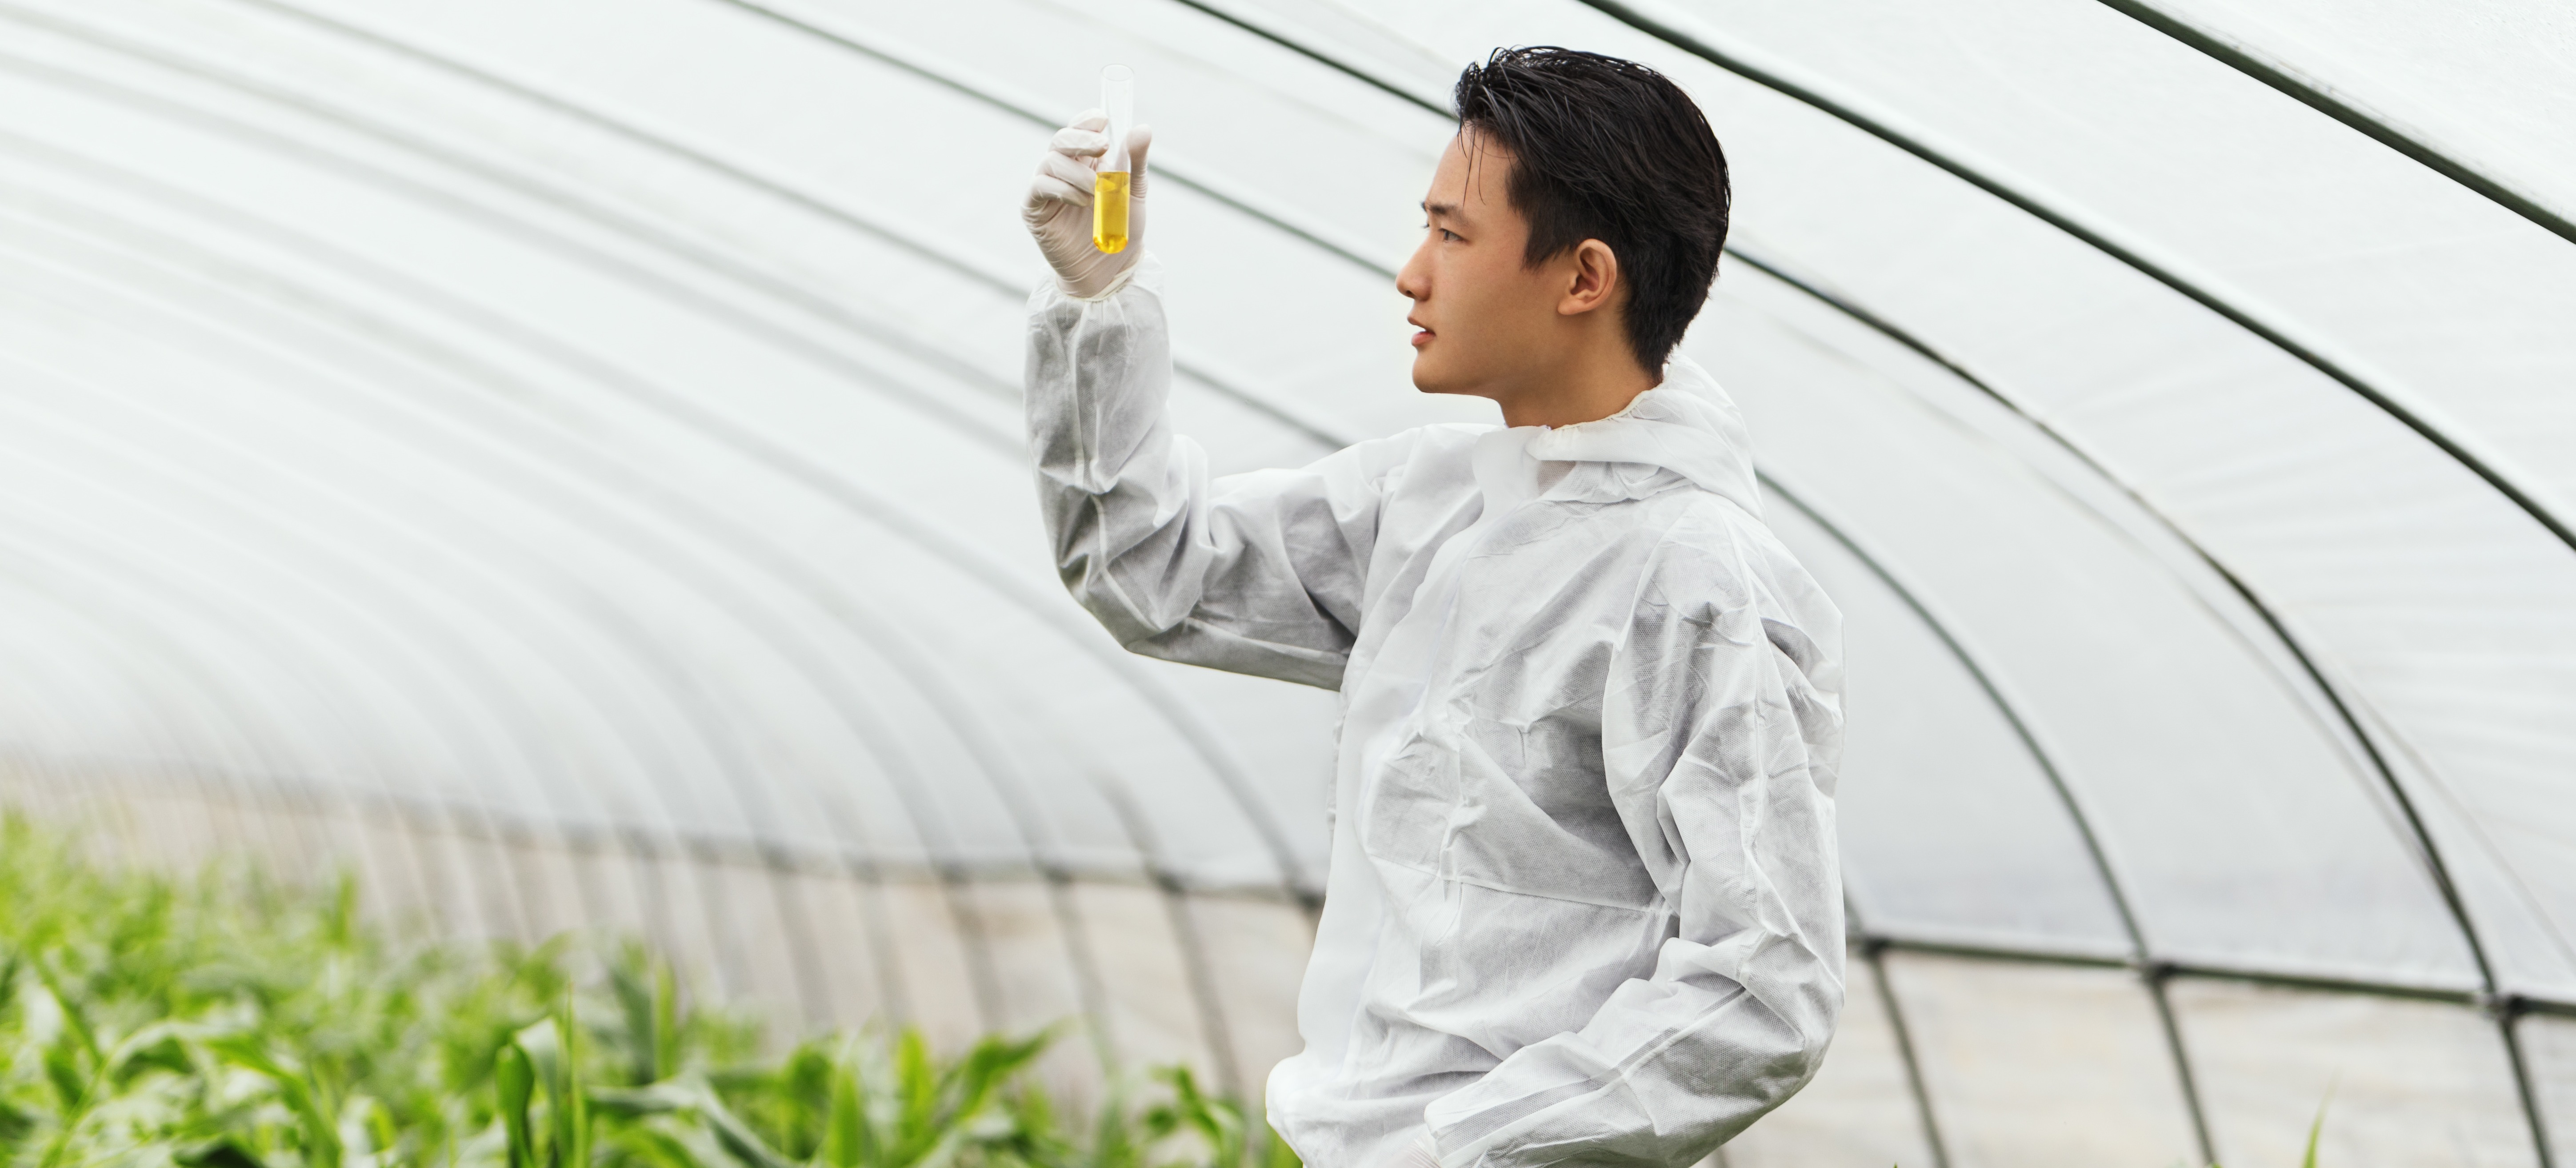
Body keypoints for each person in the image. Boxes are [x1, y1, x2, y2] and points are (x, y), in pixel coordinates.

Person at [1019, 46, 1844, 1168]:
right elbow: (1150, 572)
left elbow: (1765, 984)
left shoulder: (1698, 581)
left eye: (1453, 236)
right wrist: (1097, 300)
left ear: (1584, 277)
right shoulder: (1434, 503)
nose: (1413, 273)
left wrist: (1459, 1151)